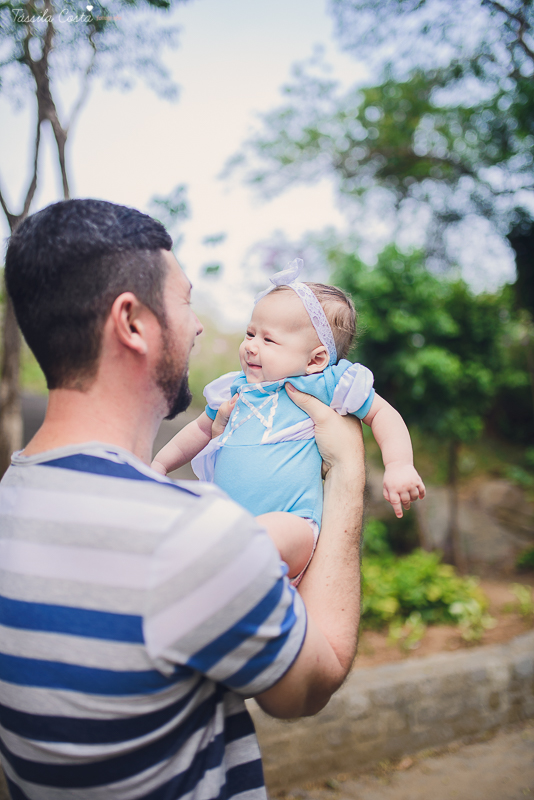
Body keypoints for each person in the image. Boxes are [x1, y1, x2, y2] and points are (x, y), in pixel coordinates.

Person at [0, 199, 365, 800]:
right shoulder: (192, 537)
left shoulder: (17, 493)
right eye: (186, 301)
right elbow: (311, 683)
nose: (198, 327)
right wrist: (347, 472)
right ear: (133, 323)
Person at [152, 259, 425, 581]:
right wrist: (158, 466)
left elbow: (383, 414)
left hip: (291, 524)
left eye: (269, 340)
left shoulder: (326, 385)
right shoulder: (235, 387)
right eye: (250, 333)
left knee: (264, 535)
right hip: (229, 525)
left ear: (315, 360)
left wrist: (399, 465)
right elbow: (199, 429)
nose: (251, 347)